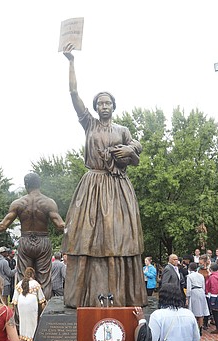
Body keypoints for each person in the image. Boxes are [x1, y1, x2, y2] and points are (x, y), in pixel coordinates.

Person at [60, 43, 146, 308]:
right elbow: (74, 94)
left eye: (108, 102)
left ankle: (121, 294)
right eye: (100, 103)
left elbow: (137, 153)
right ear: (96, 107)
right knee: (87, 236)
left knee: (120, 238)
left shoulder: (123, 129)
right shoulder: (90, 124)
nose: (104, 106)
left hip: (118, 188)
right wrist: (71, 62)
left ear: (114, 106)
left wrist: (128, 150)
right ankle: (84, 294)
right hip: (93, 184)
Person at [0, 172, 65, 301]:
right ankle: (44, 315)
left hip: (25, 242)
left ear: (26, 184)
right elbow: (60, 225)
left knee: (24, 278)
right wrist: (78, 227)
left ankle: (21, 316)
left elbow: (3, 225)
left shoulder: (18, 203)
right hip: (43, 241)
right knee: (44, 281)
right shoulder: (48, 202)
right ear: (39, 184)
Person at [12, 267, 46, 341]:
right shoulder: (35, 283)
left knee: (23, 319)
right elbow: (41, 298)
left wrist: (14, 305)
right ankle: (32, 337)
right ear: (33, 274)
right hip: (32, 302)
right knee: (32, 319)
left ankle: (23, 335)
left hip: (21, 302)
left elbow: (15, 298)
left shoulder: (20, 283)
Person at [186, 262, 209, 335]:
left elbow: (188, 288)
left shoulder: (189, 276)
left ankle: (195, 328)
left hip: (194, 292)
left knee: (194, 310)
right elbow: (203, 286)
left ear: (189, 268)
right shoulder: (201, 275)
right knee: (201, 311)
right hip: (201, 291)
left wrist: (187, 297)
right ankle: (200, 328)